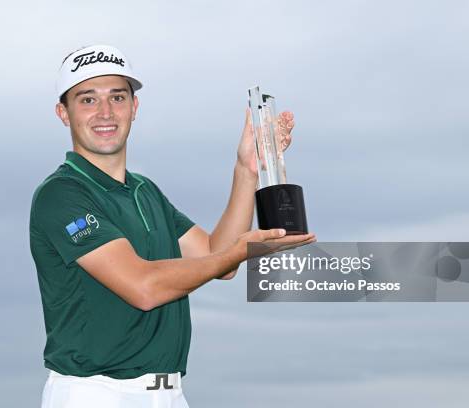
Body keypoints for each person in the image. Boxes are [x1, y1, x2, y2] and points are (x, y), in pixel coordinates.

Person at [29, 44, 316, 408]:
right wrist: (240, 251)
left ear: (134, 108)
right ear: (63, 113)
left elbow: (215, 256)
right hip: (96, 393)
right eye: (87, 100)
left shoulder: (145, 191)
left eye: (117, 97)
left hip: (167, 392)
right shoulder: (62, 194)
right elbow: (144, 287)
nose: (105, 112)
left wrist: (246, 170)